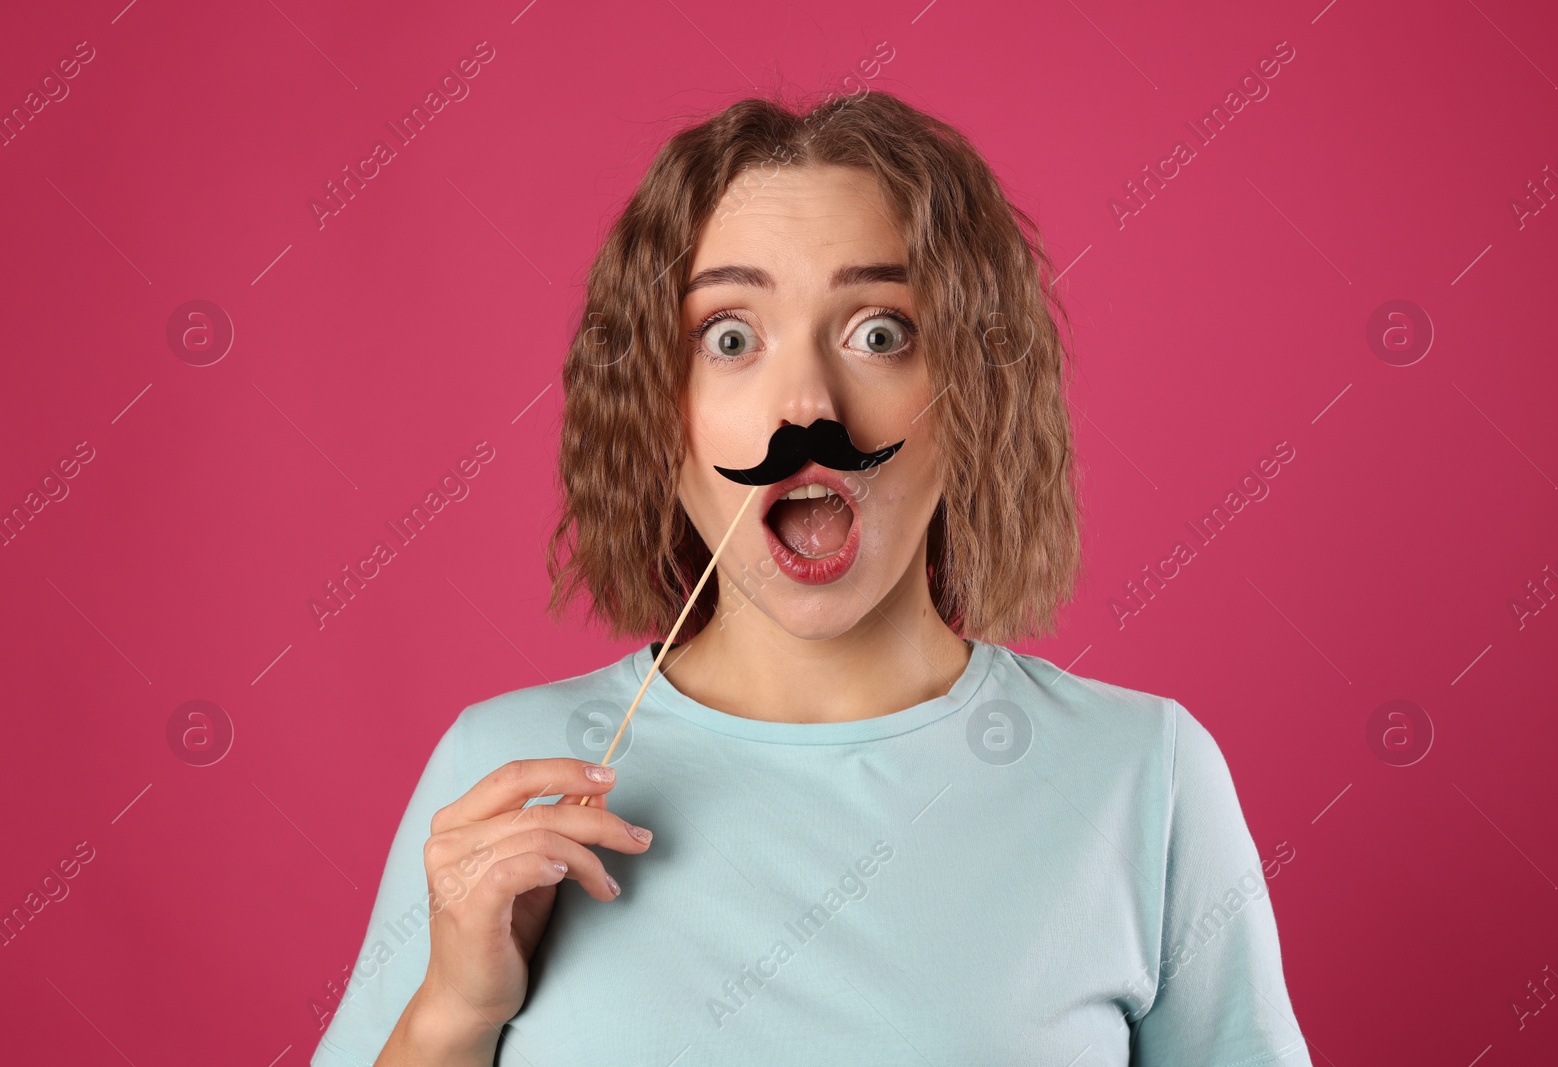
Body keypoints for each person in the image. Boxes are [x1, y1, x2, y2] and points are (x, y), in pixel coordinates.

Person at [311, 88, 1313, 1067]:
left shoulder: (1143, 775)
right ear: (659, 411)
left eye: (879, 332)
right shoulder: (503, 773)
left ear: (973, 389)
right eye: (730, 337)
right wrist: (452, 1015)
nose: (804, 403)